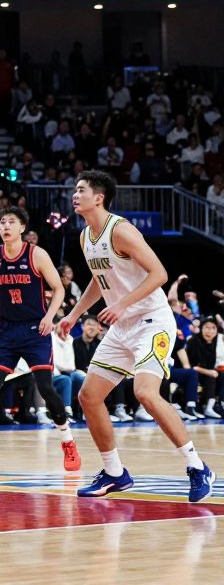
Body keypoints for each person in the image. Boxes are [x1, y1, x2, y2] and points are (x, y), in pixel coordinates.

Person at [60, 170, 215, 503]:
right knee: (88, 396)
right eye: (75, 189)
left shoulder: (122, 230)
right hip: (123, 325)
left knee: (145, 392)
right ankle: (115, 472)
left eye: (81, 189)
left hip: (151, 321)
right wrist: (74, 314)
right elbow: (98, 280)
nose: (75, 194)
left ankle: (197, 466)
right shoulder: (87, 235)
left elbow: (159, 273)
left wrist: (121, 303)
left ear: (98, 197)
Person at [0, 207, 78, 473]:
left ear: (22, 228)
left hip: (36, 330)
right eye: (1, 223)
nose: (5, 226)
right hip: (7, 330)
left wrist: (50, 317)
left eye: (11, 222)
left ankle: (67, 440)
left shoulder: (36, 254)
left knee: (46, 387)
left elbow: (58, 288)